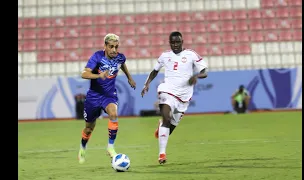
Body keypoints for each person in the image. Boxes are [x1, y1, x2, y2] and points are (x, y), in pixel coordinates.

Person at [141, 31, 208, 164]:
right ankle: (162, 154)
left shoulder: (191, 54)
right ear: (169, 43)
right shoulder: (165, 56)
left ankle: (161, 127)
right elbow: (155, 71)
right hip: (167, 91)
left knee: (170, 127)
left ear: (182, 42)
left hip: (184, 96)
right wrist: (147, 84)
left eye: (178, 42)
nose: (175, 45)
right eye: (173, 42)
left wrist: (196, 76)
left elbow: (204, 71)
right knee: (166, 118)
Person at [77, 33, 136, 164]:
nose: (114, 50)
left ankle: (110, 147)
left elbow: (123, 64)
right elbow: (84, 74)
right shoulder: (97, 57)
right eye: (111, 47)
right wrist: (99, 76)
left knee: (114, 114)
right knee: (89, 128)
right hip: (93, 96)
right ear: (105, 46)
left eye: (116, 46)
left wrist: (129, 78)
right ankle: (83, 146)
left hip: (109, 95)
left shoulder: (120, 57)